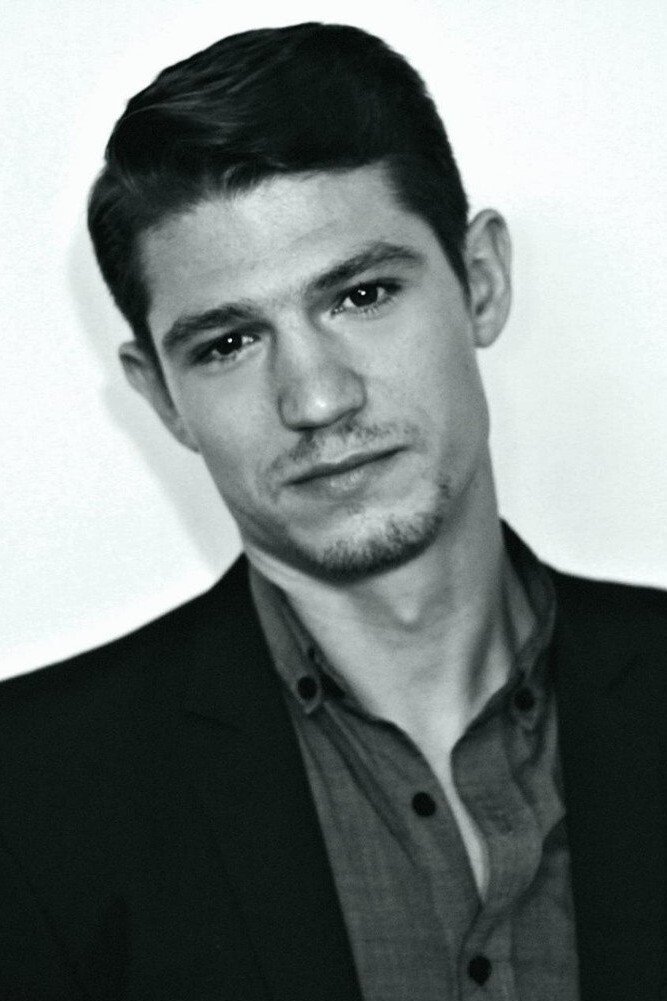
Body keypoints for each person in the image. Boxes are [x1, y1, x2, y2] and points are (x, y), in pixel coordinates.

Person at [0, 21, 663, 1001]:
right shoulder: (26, 797)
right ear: (161, 396)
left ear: (480, 281)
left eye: (362, 293)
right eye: (227, 344)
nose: (315, 398)